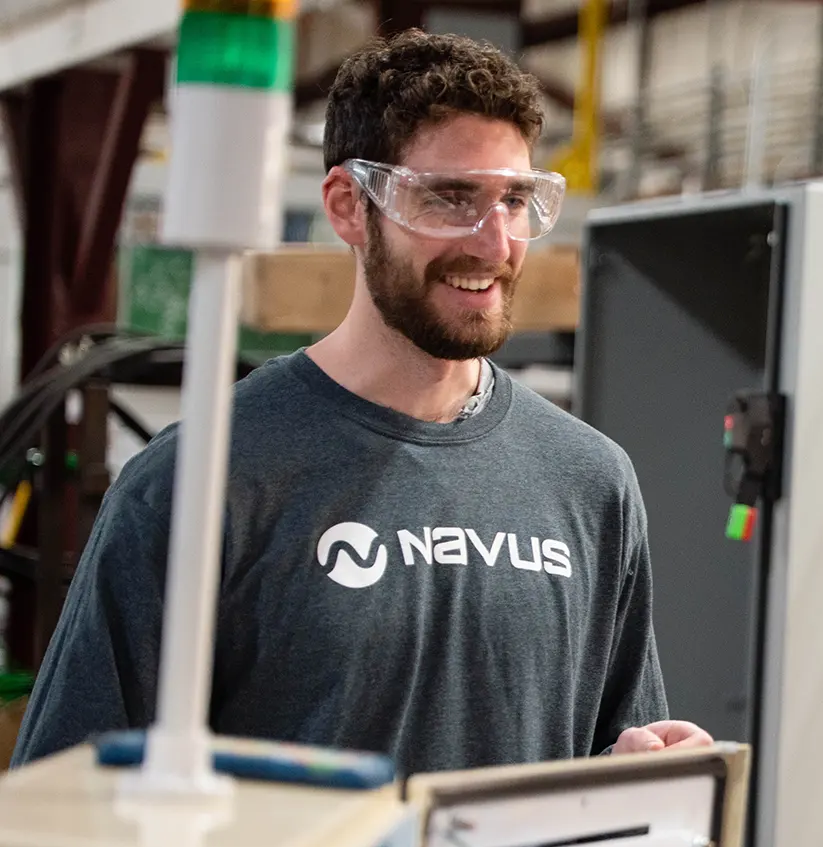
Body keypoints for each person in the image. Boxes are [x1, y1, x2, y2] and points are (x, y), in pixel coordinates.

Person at [13, 32, 708, 775]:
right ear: (349, 206)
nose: (494, 243)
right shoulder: (204, 480)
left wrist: (634, 765)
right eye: (449, 198)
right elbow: (64, 797)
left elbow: (611, 767)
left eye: (513, 200)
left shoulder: (589, 481)